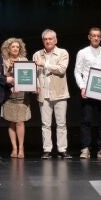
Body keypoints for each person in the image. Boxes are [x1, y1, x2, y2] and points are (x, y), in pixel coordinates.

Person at [74, 27, 101, 159]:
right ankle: (85, 148)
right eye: (93, 35)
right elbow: (77, 72)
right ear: (89, 37)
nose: (96, 38)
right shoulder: (82, 52)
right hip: (87, 91)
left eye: (98, 36)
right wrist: (82, 87)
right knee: (86, 120)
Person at [33, 29, 71, 159]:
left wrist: (45, 64)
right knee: (45, 124)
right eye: (45, 39)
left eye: (50, 39)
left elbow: (62, 69)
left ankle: (62, 149)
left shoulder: (62, 53)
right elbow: (34, 74)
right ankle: (47, 149)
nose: (48, 41)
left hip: (59, 92)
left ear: (56, 40)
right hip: (43, 93)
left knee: (61, 123)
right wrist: (35, 85)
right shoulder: (37, 54)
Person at [1, 37, 31, 158]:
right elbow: (1, 77)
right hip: (9, 96)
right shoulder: (3, 61)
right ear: (8, 48)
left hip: (22, 95)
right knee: (12, 122)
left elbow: (29, 75)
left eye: (17, 47)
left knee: (20, 122)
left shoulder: (24, 60)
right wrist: (10, 69)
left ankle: (21, 148)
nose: (15, 49)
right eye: (13, 46)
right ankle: (14, 148)